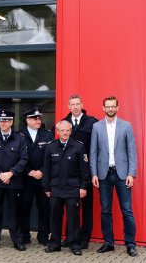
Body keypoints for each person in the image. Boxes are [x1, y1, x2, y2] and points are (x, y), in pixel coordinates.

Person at [90, 96, 139, 257]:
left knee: (127, 210)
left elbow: (132, 151)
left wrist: (131, 174)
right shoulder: (96, 127)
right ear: (103, 108)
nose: (110, 109)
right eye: (107, 107)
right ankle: (108, 243)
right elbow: (93, 152)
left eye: (113, 106)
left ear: (117, 108)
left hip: (122, 174)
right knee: (105, 210)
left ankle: (131, 244)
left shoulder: (126, 126)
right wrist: (94, 174)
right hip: (103, 174)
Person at [0, 109, 28, 251]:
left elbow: (24, 158)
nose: (4, 123)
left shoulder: (20, 138)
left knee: (14, 213)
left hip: (13, 181)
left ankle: (17, 240)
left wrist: (11, 173)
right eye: (2, 120)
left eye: (7, 120)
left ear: (12, 122)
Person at [43, 120, 89, 256]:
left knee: (73, 218)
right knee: (54, 217)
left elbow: (84, 170)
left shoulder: (78, 147)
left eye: (67, 130)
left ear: (71, 131)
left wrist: (83, 187)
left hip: (72, 189)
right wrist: (46, 188)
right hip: (55, 188)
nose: (65, 133)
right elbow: (47, 169)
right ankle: (55, 243)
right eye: (62, 130)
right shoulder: (50, 147)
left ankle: (74, 244)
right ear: (57, 132)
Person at [58, 94, 98, 248]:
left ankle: (84, 238)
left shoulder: (92, 123)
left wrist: (93, 171)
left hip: (85, 170)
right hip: (68, 171)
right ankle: (70, 237)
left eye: (77, 104)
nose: (75, 107)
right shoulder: (64, 122)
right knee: (70, 206)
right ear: (69, 106)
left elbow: (96, 147)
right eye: (72, 104)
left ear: (82, 104)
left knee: (86, 206)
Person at [18, 106, 53, 246]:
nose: (38, 120)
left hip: (42, 178)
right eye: (35, 118)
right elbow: (17, 157)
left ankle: (43, 236)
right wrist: (28, 171)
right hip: (25, 178)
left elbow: (50, 157)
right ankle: (24, 235)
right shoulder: (19, 135)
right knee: (24, 207)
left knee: (44, 207)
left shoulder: (47, 135)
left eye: (39, 118)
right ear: (27, 120)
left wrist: (41, 171)